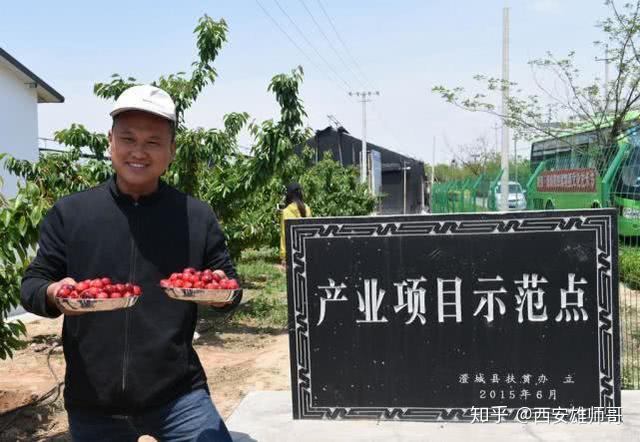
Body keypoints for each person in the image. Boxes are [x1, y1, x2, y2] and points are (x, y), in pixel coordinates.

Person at [21, 85, 239, 442]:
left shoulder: (195, 217)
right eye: (128, 138)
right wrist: (52, 293)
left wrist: (221, 294)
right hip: (94, 400)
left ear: (171, 150)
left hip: (178, 395)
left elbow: (230, 284)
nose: (139, 152)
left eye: (153, 142)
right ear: (110, 142)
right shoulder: (72, 214)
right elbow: (33, 283)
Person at [279, 182, 312, 263]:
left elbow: (284, 234)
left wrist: (283, 255)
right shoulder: (307, 208)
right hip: (306, 249)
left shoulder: (286, 211)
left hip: (292, 251)